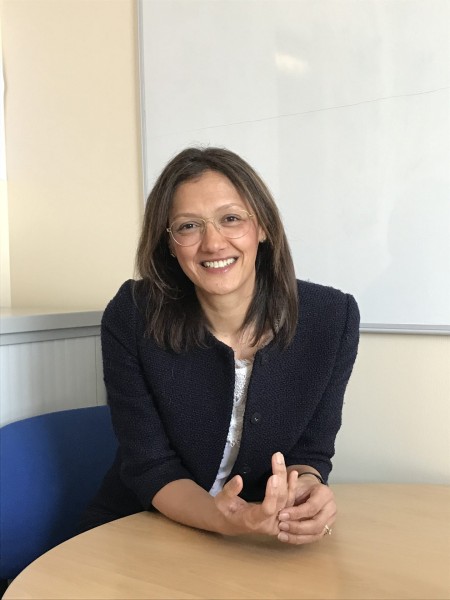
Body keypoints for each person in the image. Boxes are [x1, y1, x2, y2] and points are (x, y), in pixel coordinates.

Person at [80, 147, 360, 545]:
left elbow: (310, 451)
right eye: (189, 226)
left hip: (256, 539)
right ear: (169, 243)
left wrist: (307, 492)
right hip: (143, 528)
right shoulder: (133, 315)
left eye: (231, 219)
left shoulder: (332, 318)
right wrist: (225, 519)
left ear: (262, 227)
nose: (213, 243)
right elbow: (150, 466)